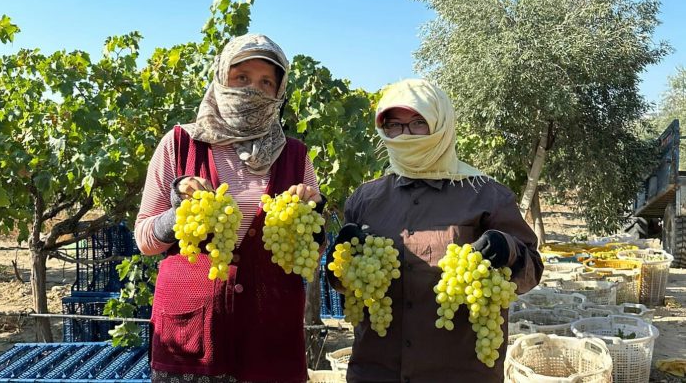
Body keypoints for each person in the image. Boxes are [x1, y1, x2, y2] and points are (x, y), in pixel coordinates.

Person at [135, 33, 325, 383]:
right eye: (242, 78)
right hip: (192, 335)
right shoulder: (179, 144)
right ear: (222, 77)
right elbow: (145, 240)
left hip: (271, 334)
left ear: (278, 92)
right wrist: (180, 215)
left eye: (266, 82)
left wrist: (313, 217)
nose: (253, 89)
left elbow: (310, 255)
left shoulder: (296, 156)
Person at [326, 78, 543, 382]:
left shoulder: (486, 194)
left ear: (441, 124)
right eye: (394, 125)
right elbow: (344, 286)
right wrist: (343, 257)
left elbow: (531, 271)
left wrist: (508, 249)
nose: (405, 135)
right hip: (376, 370)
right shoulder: (365, 199)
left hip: (460, 373)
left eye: (417, 123)